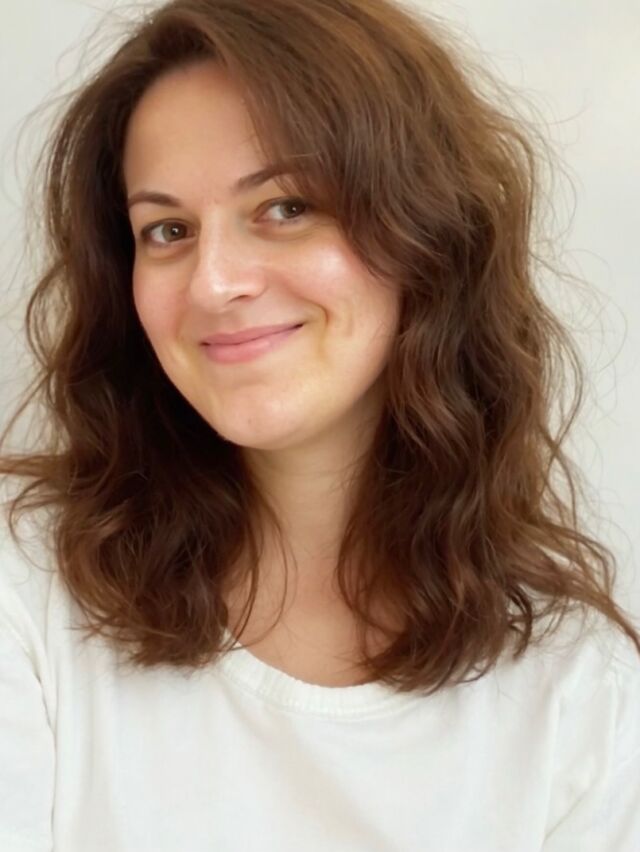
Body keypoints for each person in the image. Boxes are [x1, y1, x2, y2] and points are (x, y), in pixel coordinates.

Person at [0, 0, 638, 849]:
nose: (213, 282)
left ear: (427, 235)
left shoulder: (582, 696)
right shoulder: (24, 586)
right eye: (168, 230)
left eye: (286, 207)